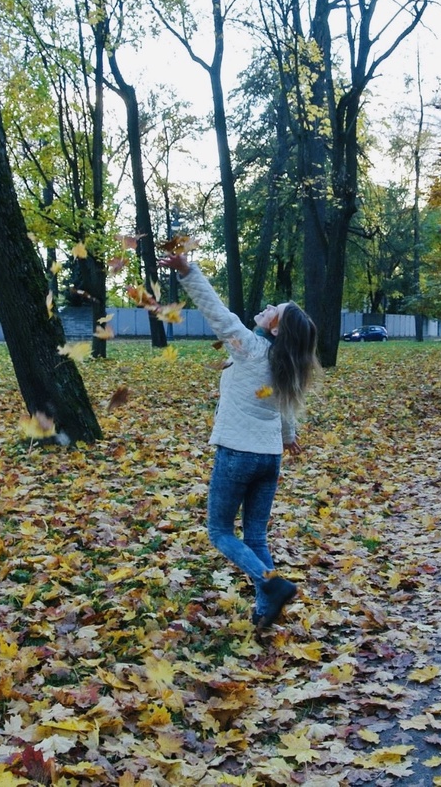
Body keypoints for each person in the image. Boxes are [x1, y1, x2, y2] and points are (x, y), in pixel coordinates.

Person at [159, 250, 319, 632]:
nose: (266, 307)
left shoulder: (248, 348)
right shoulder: (284, 362)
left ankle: (271, 583)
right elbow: (282, 407)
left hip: (237, 455)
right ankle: (266, 609)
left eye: (273, 310)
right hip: (268, 459)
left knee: (219, 532)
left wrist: (187, 271)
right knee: (255, 536)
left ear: (277, 330)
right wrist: (289, 437)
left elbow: (216, 311)